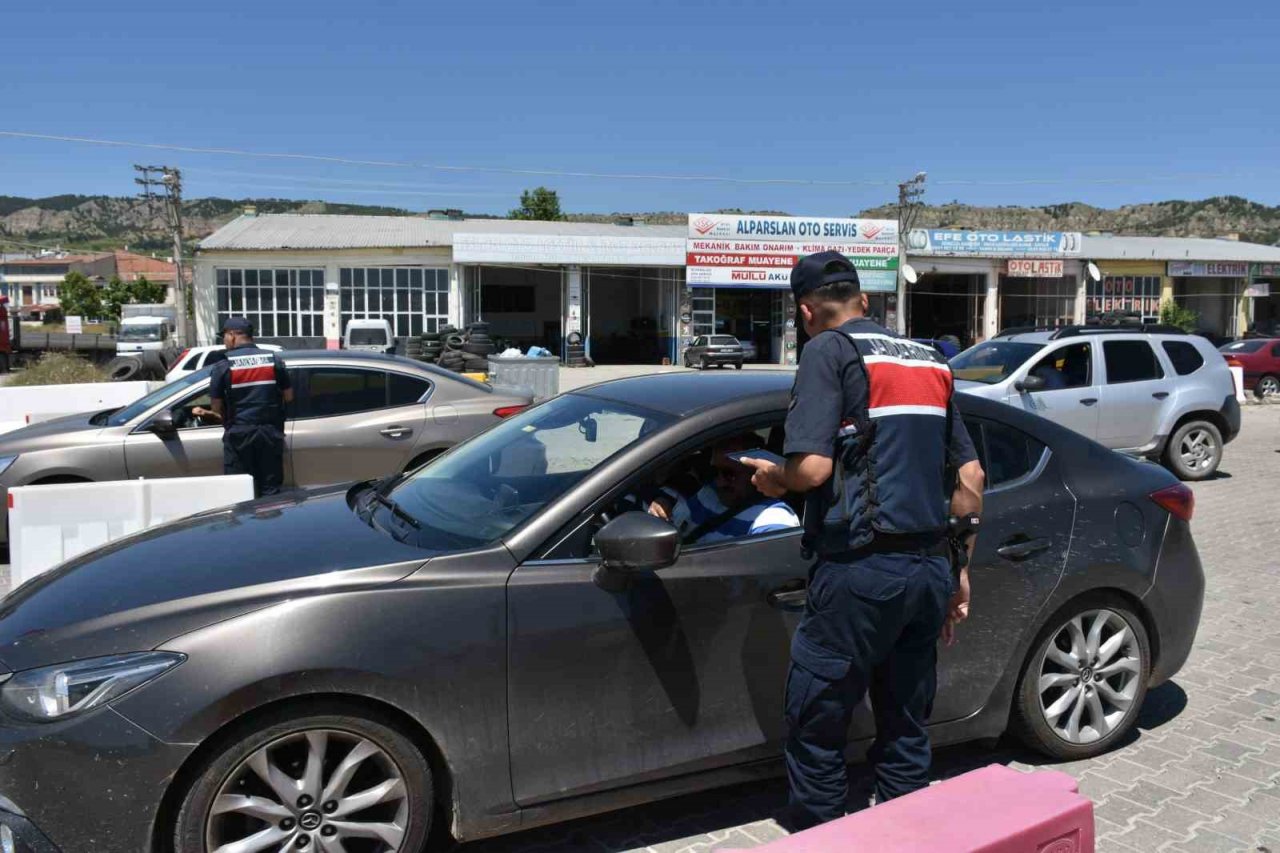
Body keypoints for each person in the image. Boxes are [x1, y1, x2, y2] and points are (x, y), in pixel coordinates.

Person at [740, 251, 985, 830]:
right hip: (929, 571)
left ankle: (820, 837)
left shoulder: (829, 350)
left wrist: (771, 477)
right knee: (904, 726)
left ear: (806, 312)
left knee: (817, 723)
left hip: (860, 572)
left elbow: (812, 472)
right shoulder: (930, 358)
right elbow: (970, 479)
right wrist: (959, 574)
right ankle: (906, 835)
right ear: (865, 300)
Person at [193, 317, 293, 497]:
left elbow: (216, 408)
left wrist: (206, 412)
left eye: (223, 336)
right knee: (271, 492)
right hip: (270, 434)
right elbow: (289, 396)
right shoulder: (273, 360)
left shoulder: (224, 365)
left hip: (239, 435)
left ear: (232, 335)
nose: (224, 341)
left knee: (239, 491)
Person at [648, 433, 799, 544]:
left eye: (729, 474)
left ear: (756, 472)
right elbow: (678, 525)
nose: (719, 482)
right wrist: (663, 506)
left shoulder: (772, 517)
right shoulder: (708, 494)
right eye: (715, 472)